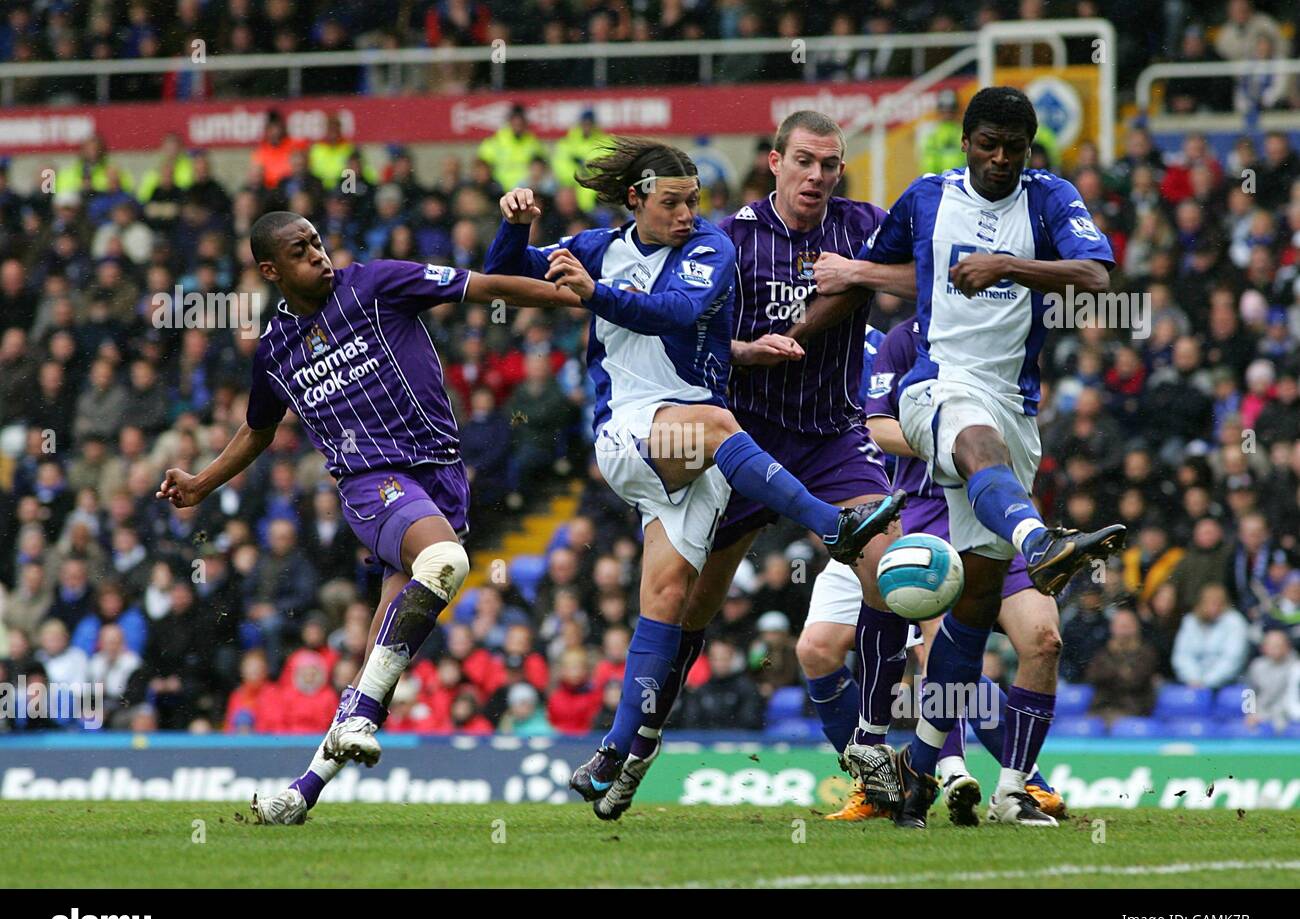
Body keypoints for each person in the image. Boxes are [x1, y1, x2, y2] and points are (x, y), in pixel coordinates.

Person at [483, 137, 903, 819]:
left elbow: (675, 314)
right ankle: (833, 525)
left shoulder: (711, 248)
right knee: (716, 424)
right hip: (635, 431)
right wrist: (516, 223)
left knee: (672, 601)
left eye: (693, 202)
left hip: (699, 455)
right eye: (671, 203)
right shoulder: (595, 246)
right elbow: (506, 270)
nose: (686, 215)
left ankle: (618, 753)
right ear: (635, 200)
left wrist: (598, 296)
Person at [157, 210, 585, 824]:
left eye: (319, 242)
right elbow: (257, 431)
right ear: (271, 270)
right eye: (302, 250)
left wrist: (584, 301)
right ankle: (349, 728)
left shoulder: (377, 283)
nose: (320, 255)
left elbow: (484, 286)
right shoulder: (276, 350)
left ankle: (299, 794)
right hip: (370, 483)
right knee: (444, 561)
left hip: (441, 476)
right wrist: (199, 482)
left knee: (381, 666)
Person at [814, 86, 1124, 828]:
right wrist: (805, 323)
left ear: (1028, 148)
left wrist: (1008, 266)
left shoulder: (1049, 199)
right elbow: (882, 273)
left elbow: (1098, 276)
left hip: (1015, 404)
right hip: (938, 388)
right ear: (965, 140)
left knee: (976, 608)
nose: (1000, 158)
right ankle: (1039, 541)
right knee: (970, 436)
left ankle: (919, 773)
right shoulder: (923, 199)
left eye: (1013, 147)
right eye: (988, 144)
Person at [801, 318, 1068, 825]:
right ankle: (879, 784)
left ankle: (985, 776)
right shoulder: (795, 344)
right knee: (816, 649)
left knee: (954, 642)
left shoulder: (886, 340)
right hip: (869, 520)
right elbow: (871, 428)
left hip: (922, 517)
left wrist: (955, 443)